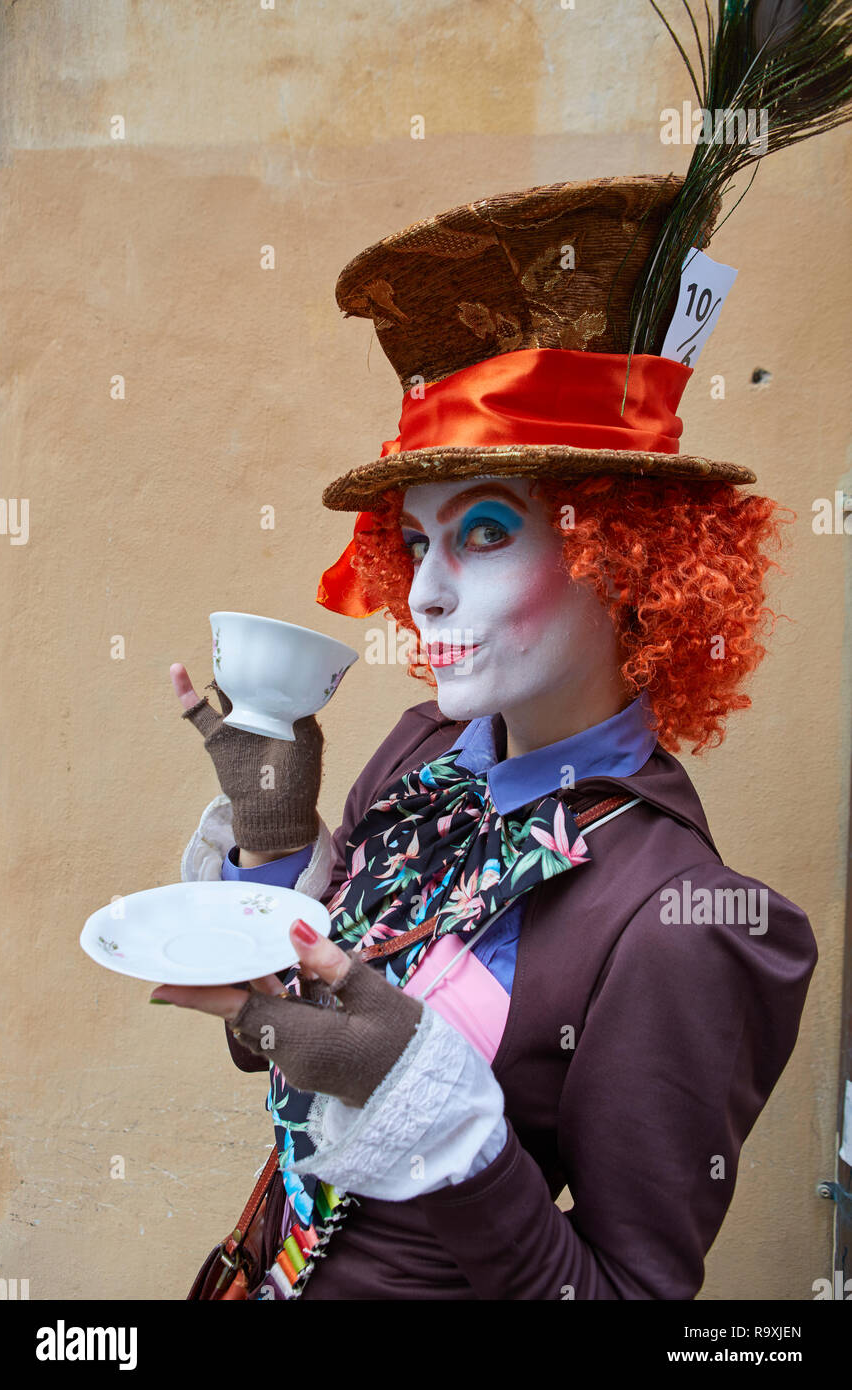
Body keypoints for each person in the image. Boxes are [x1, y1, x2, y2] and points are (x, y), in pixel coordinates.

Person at [151, 173, 820, 1300]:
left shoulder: (681, 926)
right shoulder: (416, 752)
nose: (422, 595)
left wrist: (430, 1104)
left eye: (487, 529)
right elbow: (288, 1029)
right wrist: (272, 839)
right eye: (414, 541)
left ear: (625, 553)